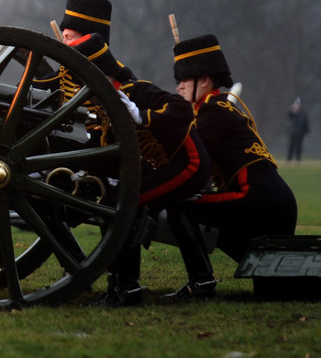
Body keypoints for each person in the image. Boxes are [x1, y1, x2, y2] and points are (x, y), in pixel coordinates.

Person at [69, 33, 212, 307]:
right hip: (163, 167)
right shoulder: (103, 103)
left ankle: (127, 288)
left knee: (123, 204)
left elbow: (182, 109)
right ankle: (120, 285)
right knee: (113, 201)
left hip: (187, 164)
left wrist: (140, 115)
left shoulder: (137, 90)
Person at [169, 34, 298, 287]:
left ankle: (201, 282)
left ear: (204, 80)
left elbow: (184, 159)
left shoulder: (213, 113)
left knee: (178, 206)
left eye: (184, 79)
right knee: (272, 284)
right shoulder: (215, 110)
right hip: (272, 201)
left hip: (258, 199)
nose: (179, 87)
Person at [287, 97, 309, 162]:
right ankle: (289, 159)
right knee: (291, 146)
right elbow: (289, 116)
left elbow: (306, 123)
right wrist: (292, 110)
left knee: (299, 146)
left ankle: (298, 159)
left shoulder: (304, 113)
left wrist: (307, 132)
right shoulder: (293, 112)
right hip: (293, 132)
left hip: (300, 132)